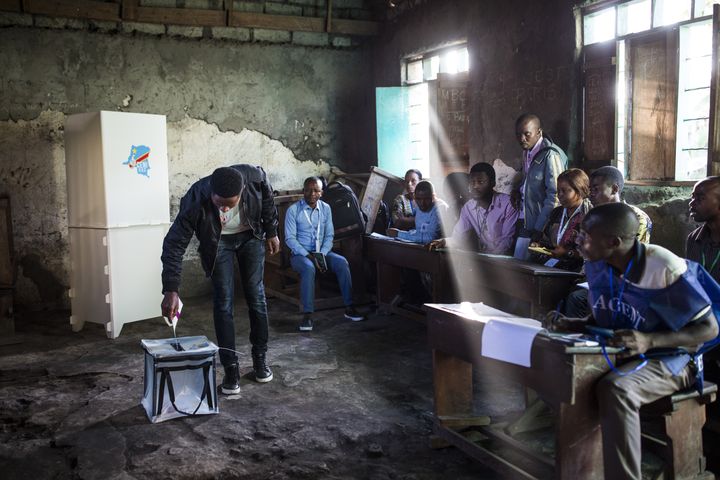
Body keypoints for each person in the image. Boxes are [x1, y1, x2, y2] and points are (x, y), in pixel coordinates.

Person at [550, 203, 719, 479]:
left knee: (616, 389)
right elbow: (608, 314)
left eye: (586, 235)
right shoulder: (599, 262)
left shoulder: (661, 265)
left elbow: (709, 329)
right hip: (628, 352)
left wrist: (648, 341)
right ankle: (579, 468)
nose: (579, 240)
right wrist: (574, 324)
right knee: (566, 373)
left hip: (675, 358)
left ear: (614, 242)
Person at [160, 165, 280, 395]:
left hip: (251, 236)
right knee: (223, 303)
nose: (224, 209)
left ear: (243, 191)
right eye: (219, 203)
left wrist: (272, 231)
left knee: (256, 297)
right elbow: (174, 244)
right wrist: (171, 289)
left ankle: (260, 360)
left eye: (230, 203)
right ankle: (230, 368)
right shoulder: (195, 198)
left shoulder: (256, 179)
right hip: (218, 244)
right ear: (210, 192)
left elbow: (267, 202)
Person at [284, 177, 365, 332]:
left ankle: (349, 307)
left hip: (322, 252)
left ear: (321, 193)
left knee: (342, 262)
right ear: (303, 191)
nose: (311, 193)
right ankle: (307, 315)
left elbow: (329, 235)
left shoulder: (326, 208)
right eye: (308, 190)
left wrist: (321, 254)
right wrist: (308, 255)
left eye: (316, 190)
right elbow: (290, 239)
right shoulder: (293, 210)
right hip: (300, 255)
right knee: (309, 268)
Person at [687, 176, 720, 424]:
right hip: (702, 310)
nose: (691, 203)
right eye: (692, 197)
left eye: (699, 198)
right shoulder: (694, 239)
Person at [429, 162, 519, 254]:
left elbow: (507, 241)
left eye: (480, 182)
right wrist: (443, 242)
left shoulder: (508, 204)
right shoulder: (468, 208)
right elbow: (458, 237)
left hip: (506, 260)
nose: (475, 186)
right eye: (472, 182)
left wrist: (491, 261)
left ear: (493, 183)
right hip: (486, 259)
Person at [513, 113, 568, 242]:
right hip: (526, 217)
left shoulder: (550, 155)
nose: (522, 139)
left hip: (539, 224)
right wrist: (517, 189)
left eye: (527, 134)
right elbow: (528, 180)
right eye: (518, 135)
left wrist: (540, 228)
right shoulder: (527, 152)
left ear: (538, 132)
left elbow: (555, 197)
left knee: (524, 259)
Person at [531, 168, 591, 271]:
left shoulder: (589, 215)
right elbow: (547, 241)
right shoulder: (556, 212)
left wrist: (568, 252)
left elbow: (592, 252)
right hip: (554, 265)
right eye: (558, 191)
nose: (560, 195)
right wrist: (538, 246)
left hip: (576, 270)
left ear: (579, 190)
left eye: (564, 191)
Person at [589, 165, 652, 243]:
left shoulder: (637, 217)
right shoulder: (595, 217)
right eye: (590, 190)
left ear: (614, 189)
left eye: (596, 189)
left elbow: (631, 252)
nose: (591, 194)